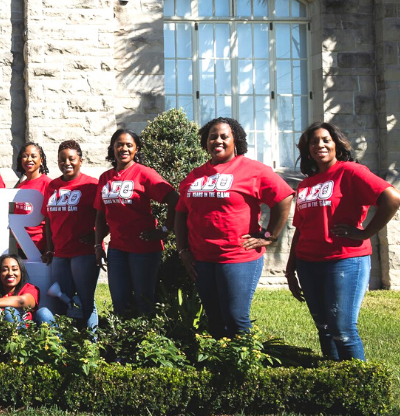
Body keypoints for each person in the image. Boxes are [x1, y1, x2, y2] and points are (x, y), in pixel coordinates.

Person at [286, 122, 400, 361]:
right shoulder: (306, 184)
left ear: (336, 144)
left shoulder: (351, 171)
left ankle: (361, 391)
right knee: (325, 330)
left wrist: (364, 233)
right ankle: (336, 386)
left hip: (344, 262)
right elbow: (300, 228)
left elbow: (391, 198)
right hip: (308, 264)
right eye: (314, 142)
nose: (320, 145)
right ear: (307, 151)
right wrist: (290, 269)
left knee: (343, 330)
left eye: (325, 140)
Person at [174, 118, 293, 339]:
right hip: (202, 259)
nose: (217, 140)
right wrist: (183, 250)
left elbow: (284, 197)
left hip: (238, 256)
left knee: (236, 318)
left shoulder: (253, 170)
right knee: (215, 319)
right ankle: (222, 368)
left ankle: (245, 369)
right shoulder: (195, 175)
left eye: (223, 136)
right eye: (212, 136)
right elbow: (181, 212)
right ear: (205, 141)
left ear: (235, 140)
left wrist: (270, 235)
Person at [93, 129, 178, 318]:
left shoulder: (144, 173)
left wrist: (165, 230)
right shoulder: (105, 178)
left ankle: (147, 343)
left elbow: (174, 198)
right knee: (119, 302)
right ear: (113, 148)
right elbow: (100, 215)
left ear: (136, 149)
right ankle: (123, 344)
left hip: (144, 249)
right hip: (117, 249)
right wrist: (99, 245)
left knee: (144, 301)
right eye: (119, 144)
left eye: (129, 145)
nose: (124, 148)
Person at [41, 140, 100, 331]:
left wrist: (98, 238)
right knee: (63, 298)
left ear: (81, 160)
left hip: (83, 253)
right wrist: (50, 248)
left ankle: (91, 344)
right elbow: (48, 220)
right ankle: (68, 342)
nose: (66, 162)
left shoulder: (92, 185)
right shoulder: (52, 186)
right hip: (60, 254)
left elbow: (106, 216)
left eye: (71, 159)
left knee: (85, 299)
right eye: (62, 159)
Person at [0, 254, 51, 325]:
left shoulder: (30, 289)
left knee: (44, 312)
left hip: (26, 339)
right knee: (9, 313)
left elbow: (21, 301)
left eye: (14, 269)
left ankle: (57, 343)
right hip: (1, 339)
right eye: (4, 270)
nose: (10, 273)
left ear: (21, 272)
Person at [13, 142, 51, 254]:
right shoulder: (19, 186)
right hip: (21, 245)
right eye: (25, 156)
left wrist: (49, 248)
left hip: (41, 246)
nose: (29, 159)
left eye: (33, 156)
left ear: (41, 160)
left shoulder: (48, 184)